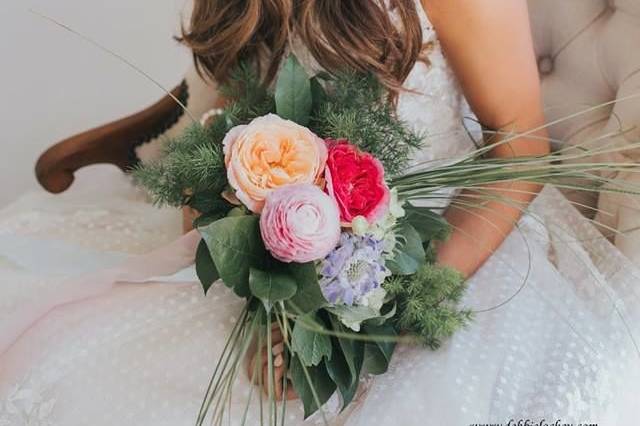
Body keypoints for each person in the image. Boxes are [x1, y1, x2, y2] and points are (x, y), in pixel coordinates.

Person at [1, 1, 638, 425]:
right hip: (281, 235)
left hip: (443, 237)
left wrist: (375, 319)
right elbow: (226, 122)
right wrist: (246, 273)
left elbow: (519, 145)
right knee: (79, 371)